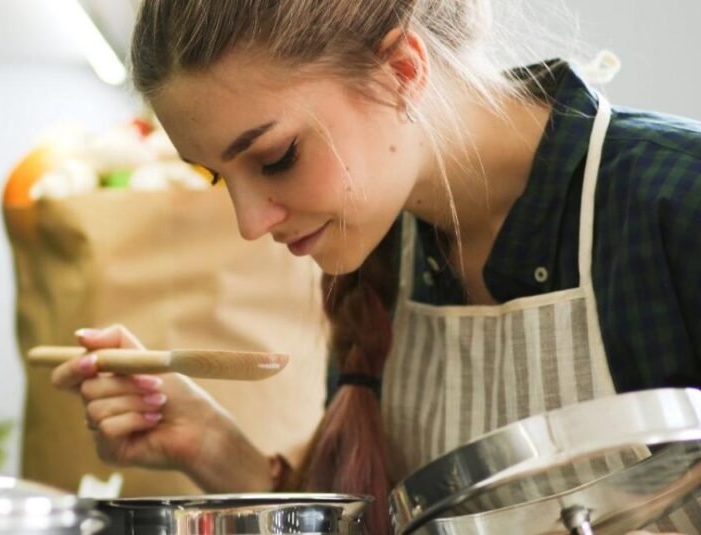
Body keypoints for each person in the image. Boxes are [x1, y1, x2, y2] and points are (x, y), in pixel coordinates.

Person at [50, 0, 701, 532]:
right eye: (218, 177)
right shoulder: (381, 252)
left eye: (276, 157)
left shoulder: (676, 201)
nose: (251, 223)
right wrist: (219, 452)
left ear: (402, 69)